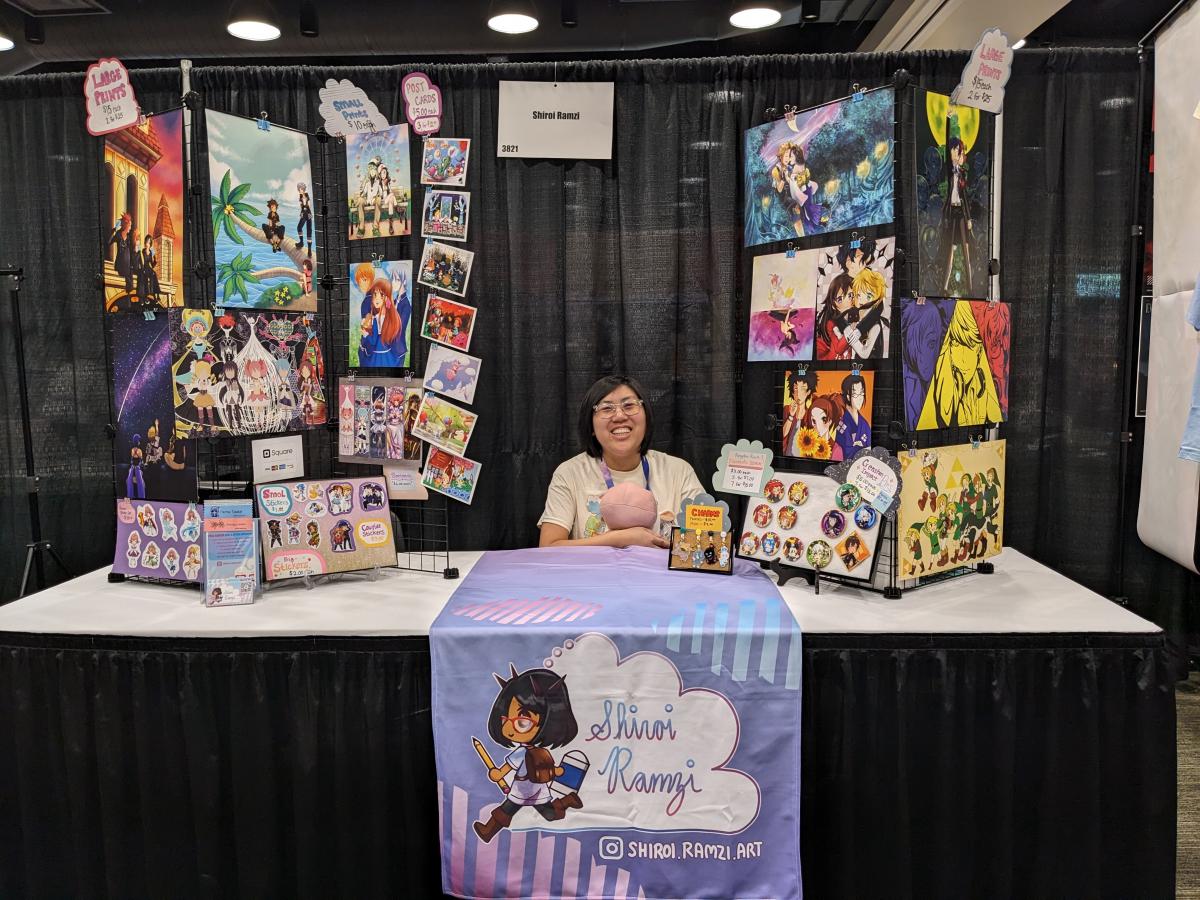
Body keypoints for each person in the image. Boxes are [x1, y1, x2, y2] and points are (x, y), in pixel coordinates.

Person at [538, 375, 705, 548]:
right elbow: (548, 547)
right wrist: (620, 539)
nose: (619, 416)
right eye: (606, 408)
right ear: (591, 426)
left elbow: (707, 544)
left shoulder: (679, 471)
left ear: (646, 417)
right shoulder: (570, 473)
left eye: (629, 405)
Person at [835, 372, 871, 460]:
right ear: (847, 396)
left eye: (861, 393)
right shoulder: (841, 421)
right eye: (855, 394)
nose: (860, 398)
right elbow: (845, 452)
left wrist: (859, 448)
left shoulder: (864, 424)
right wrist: (860, 448)